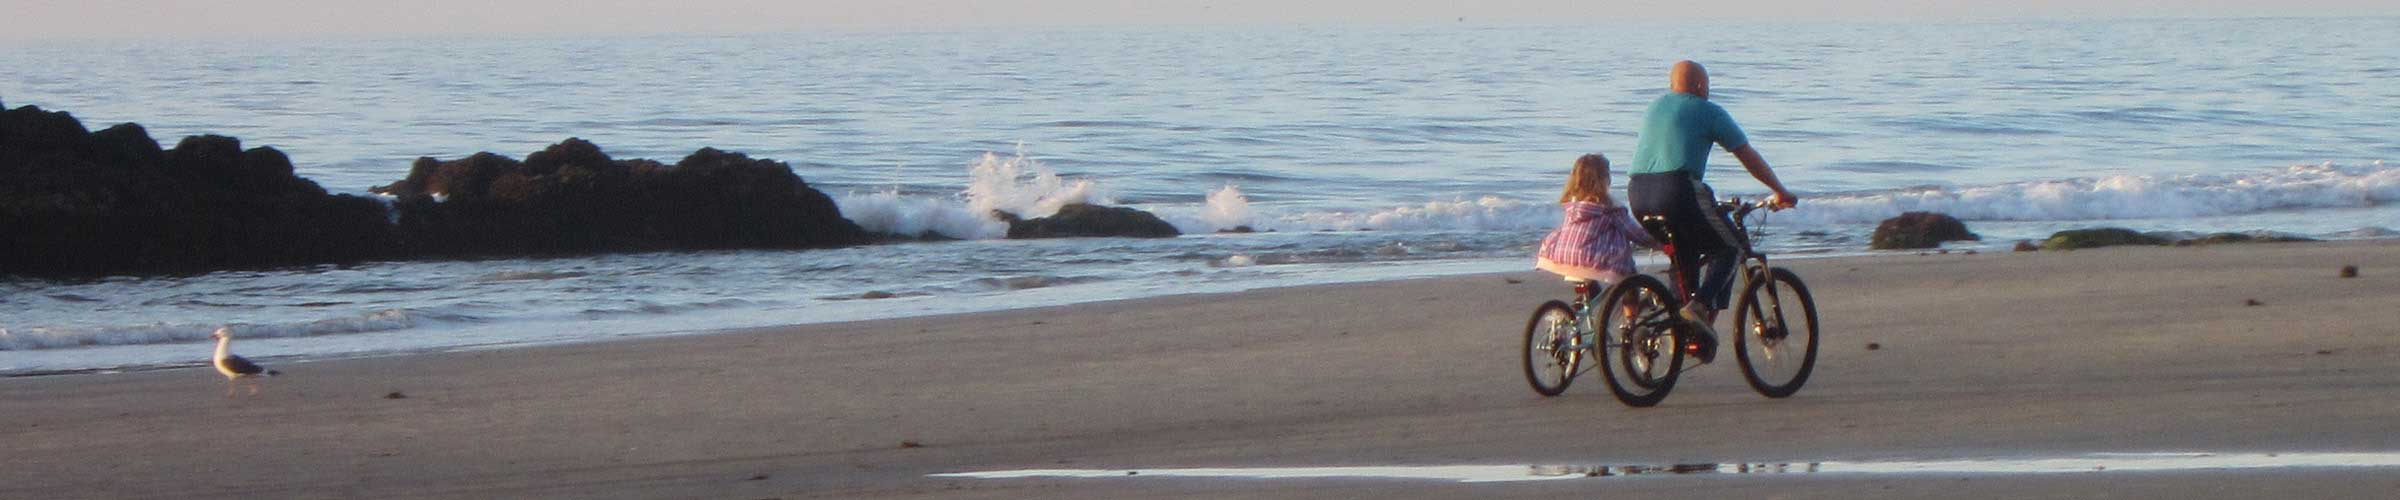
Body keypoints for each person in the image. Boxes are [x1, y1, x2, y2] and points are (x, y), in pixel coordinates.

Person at [1625, 60, 1799, 363]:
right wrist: (1780, 190)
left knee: (1685, 256)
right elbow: (1747, 155)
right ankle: (1700, 307)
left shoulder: (1655, 107)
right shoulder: (1708, 110)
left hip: (1638, 194)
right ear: (1700, 86)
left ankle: (1679, 329)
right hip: (1678, 189)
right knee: (1730, 247)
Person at [1535, 153, 1657, 290]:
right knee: (1630, 282)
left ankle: (1583, 306)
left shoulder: (1573, 204)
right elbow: (1633, 232)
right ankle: (1631, 311)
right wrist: (1656, 242)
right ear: (1604, 179)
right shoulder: (1610, 207)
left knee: (1587, 278)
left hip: (1563, 254)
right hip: (1591, 258)